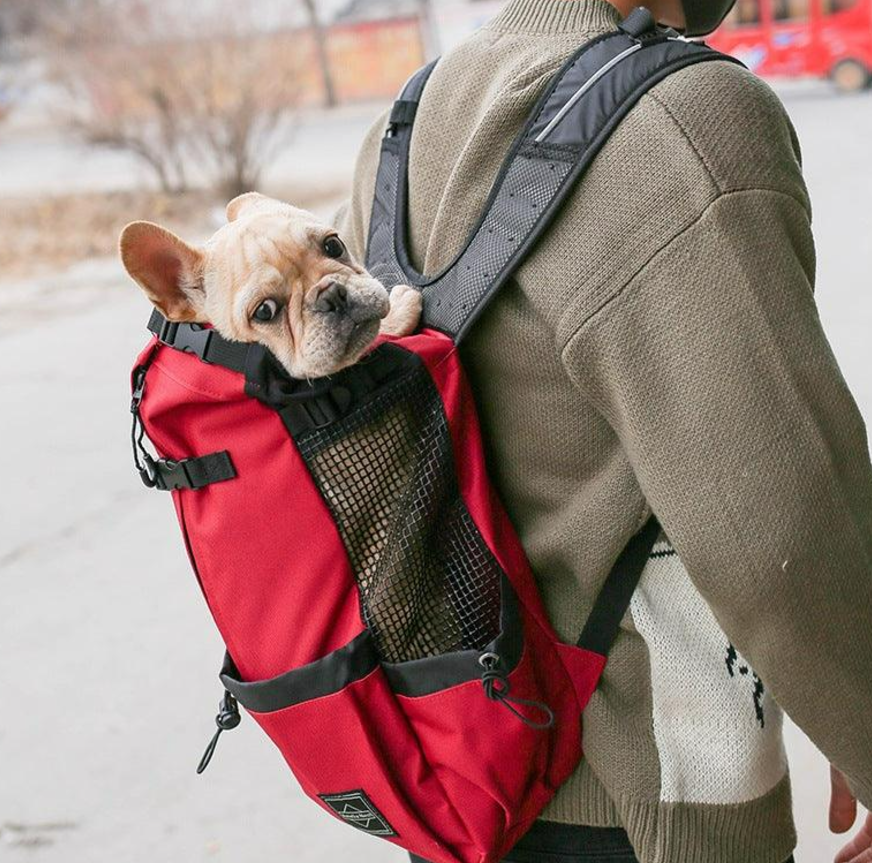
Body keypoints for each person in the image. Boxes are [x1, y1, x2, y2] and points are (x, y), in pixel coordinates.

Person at [335, 1, 872, 861]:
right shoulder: (683, 115)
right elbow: (779, 522)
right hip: (647, 792)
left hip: (471, 776)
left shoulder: (404, 122)